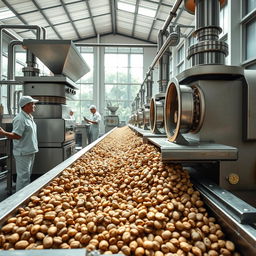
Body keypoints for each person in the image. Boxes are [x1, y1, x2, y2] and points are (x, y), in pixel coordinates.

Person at [0, 95, 39, 192]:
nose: (34, 105)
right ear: (26, 105)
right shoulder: (20, 119)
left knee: (27, 176)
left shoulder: (29, 117)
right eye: (32, 104)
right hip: (23, 152)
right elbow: (16, 135)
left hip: (30, 151)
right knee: (23, 178)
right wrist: (4, 133)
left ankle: (25, 198)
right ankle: (19, 201)